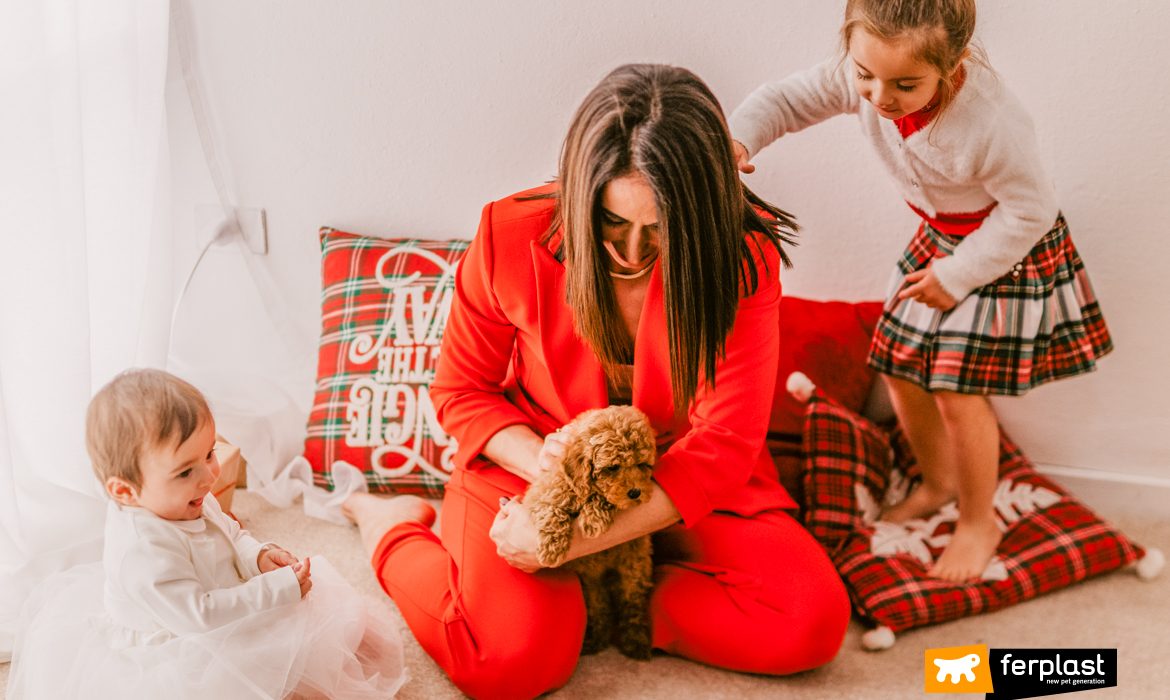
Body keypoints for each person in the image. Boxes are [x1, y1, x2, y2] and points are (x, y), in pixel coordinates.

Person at [342, 63, 851, 699]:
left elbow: (723, 442)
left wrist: (572, 542)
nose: (633, 253)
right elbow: (461, 393)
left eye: (661, 227)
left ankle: (605, 605)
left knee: (811, 625)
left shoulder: (743, 257)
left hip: (678, 474)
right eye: (613, 221)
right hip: (533, 466)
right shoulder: (509, 233)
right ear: (583, 193)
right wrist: (545, 465)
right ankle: (388, 527)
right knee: (511, 666)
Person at [729, 0, 1112, 582]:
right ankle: (939, 483)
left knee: (956, 390)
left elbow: (1031, 210)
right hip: (940, 237)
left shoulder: (990, 121)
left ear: (953, 66)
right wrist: (738, 140)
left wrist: (956, 276)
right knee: (898, 363)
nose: (879, 96)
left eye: (905, 85)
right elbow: (785, 100)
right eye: (864, 76)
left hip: (1002, 248)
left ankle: (980, 521)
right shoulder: (863, 70)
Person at [6, 369, 406, 699]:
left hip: (225, 605)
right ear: (124, 490)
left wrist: (258, 557)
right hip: (183, 642)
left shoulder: (186, 496)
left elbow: (229, 532)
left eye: (210, 453)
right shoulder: (144, 554)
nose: (210, 475)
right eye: (185, 470)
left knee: (344, 634)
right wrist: (275, 591)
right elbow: (201, 615)